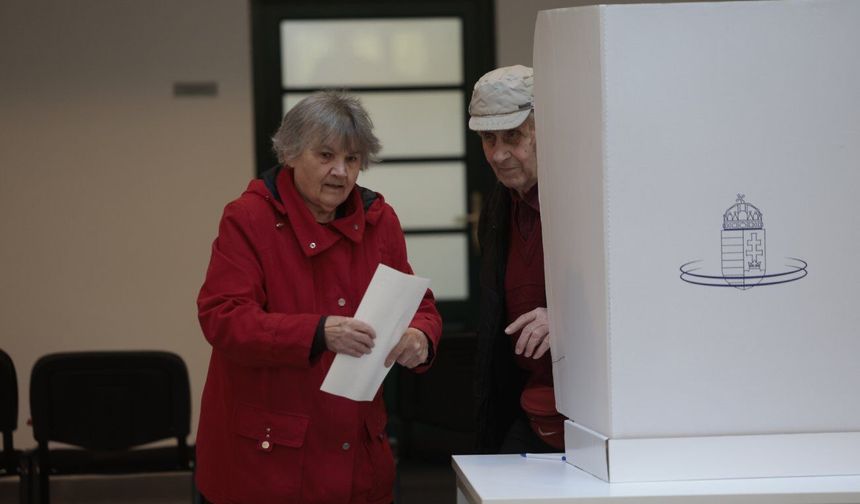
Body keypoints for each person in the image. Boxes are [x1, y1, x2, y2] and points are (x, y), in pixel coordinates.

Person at [195, 91, 442, 503]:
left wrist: (421, 336)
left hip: (357, 454)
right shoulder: (249, 218)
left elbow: (420, 306)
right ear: (290, 154)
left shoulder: (380, 220)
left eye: (352, 158)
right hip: (270, 463)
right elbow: (223, 318)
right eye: (325, 155)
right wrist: (318, 332)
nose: (341, 172)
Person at [469, 65, 565, 454]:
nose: (499, 154)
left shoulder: (587, 197)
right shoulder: (498, 206)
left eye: (513, 136)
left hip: (591, 407)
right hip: (527, 402)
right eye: (489, 139)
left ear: (546, 129)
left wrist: (564, 319)